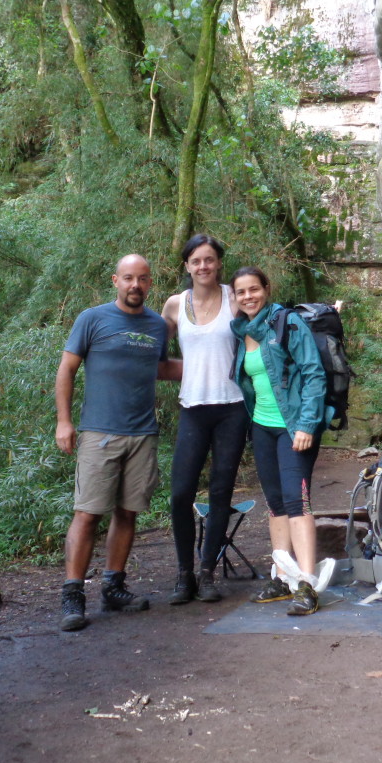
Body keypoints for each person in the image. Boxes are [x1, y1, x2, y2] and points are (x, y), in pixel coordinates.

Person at [55, 254, 180, 632]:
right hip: (99, 432)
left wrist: (218, 365)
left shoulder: (157, 325)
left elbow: (158, 368)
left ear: (150, 283)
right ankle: (73, 594)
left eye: (142, 279)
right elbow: (67, 369)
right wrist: (64, 421)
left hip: (142, 434)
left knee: (128, 512)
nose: (135, 286)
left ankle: (114, 586)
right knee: (88, 513)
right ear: (115, 280)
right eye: (128, 278)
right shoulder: (91, 319)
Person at [229, 266, 331, 616]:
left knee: (296, 502)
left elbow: (314, 373)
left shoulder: (287, 322)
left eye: (253, 290)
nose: (248, 297)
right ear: (235, 297)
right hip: (262, 427)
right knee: (275, 504)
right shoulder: (241, 329)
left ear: (266, 289)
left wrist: (306, 424)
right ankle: (282, 575)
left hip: (294, 428)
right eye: (241, 292)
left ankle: (307, 583)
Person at [160, 234, 250, 604]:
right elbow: (156, 356)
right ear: (186, 266)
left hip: (233, 407)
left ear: (218, 263)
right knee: (181, 492)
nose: (203, 267)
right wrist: (192, 371)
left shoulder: (235, 298)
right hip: (193, 408)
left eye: (209, 260)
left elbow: (258, 342)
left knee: (220, 492)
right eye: (196, 261)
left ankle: (207, 571)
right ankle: (184, 574)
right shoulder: (174, 305)